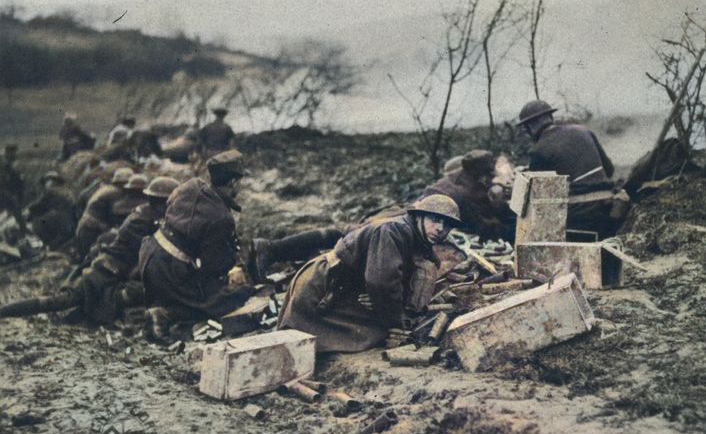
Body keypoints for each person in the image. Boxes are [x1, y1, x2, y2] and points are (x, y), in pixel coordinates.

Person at [277, 194, 462, 353]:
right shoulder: (392, 230)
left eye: (447, 226)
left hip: (347, 286)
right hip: (323, 286)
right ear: (419, 217)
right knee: (304, 341)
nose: (441, 229)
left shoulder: (418, 238)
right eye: (435, 220)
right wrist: (396, 320)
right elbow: (382, 283)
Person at [0, 176, 180, 324]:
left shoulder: (146, 215)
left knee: (73, 300)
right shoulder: (143, 220)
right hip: (106, 272)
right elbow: (147, 253)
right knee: (61, 301)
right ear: (162, 201)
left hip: (111, 270)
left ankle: (86, 313)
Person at [139, 150, 253, 325]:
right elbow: (214, 266)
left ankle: (165, 303)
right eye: (239, 182)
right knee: (225, 301)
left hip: (150, 253)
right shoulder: (220, 217)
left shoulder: (192, 185)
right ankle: (165, 314)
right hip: (168, 269)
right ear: (232, 182)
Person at [517, 100, 626, 238]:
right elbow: (609, 170)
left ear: (530, 126)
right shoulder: (583, 130)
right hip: (609, 206)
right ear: (550, 117)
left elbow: (540, 198)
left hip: (580, 215)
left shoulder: (539, 150)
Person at [422, 149, 514, 241]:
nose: (491, 179)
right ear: (481, 176)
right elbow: (487, 229)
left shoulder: (463, 175)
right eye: (490, 176)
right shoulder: (461, 194)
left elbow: (485, 200)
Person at [74, 167, 133, 257]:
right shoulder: (115, 193)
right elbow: (116, 214)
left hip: (87, 227)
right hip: (92, 230)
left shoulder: (107, 188)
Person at [27, 171, 76, 250]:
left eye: (48, 181)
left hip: (63, 219)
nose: (47, 184)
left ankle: (51, 244)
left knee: (36, 222)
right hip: (71, 220)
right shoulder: (66, 190)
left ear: (54, 181)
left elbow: (38, 206)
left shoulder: (51, 191)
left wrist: (29, 212)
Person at [0, 144, 27, 235]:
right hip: (5, 194)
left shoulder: (11, 166)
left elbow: (18, 183)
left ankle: (22, 229)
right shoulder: (4, 167)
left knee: (14, 209)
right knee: (14, 206)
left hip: (10, 193)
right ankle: (23, 229)